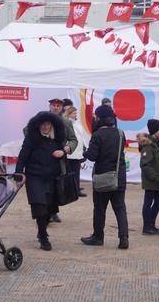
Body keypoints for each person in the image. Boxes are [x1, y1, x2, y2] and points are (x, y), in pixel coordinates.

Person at [16, 111, 67, 251]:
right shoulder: (31, 138)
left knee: (49, 208)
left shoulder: (56, 140)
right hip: (34, 177)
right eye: (43, 124)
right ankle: (44, 237)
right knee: (40, 207)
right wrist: (18, 173)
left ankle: (41, 231)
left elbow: (64, 156)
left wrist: (63, 152)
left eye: (48, 124)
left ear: (52, 125)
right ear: (38, 125)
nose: (45, 127)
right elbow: (23, 155)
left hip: (51, 178)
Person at [81, 105, 129, 249]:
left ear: (100, 118)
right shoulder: (121, 133)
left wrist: (84, 152)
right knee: (120, 208)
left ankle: (98, 237)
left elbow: (93, 156)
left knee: (100, 208)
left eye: (96, 116)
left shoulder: (97, 135)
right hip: (119, 176)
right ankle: (124, 238)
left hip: (103, 177)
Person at [47, 98, 77, 223]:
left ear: (61, 108)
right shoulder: (41, 119)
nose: (55, 107)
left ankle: (53, 212)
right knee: (45, 187)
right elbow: (27, 130)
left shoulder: (66, 122)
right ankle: (46, 213)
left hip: (59, 160)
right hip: (42, 160)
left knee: (57, 186)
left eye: (58, 105)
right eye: (53, 105)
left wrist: (68, 147)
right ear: (49, 106)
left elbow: (73, 139)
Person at [138, 119, 159, 235]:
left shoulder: (155, 143)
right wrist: (154, 177)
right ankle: (147, 226)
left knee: (158, 200)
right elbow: (145, 164)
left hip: (156, 180)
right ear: (155, 130)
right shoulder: (149, 146)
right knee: (149, 201)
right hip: (152, 180)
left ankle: (151, 225)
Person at [63, 106, 88, 197]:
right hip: (71, 151)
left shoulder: (77, 123)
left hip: (78, 150)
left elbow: (80, 136)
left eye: (76, 113)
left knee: (76, 171)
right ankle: (69, 191)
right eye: (74, 113)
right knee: (70, 172)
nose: (75, 114)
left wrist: (85, 145)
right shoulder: (66, 123)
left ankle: (76, 189)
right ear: (69, 114)